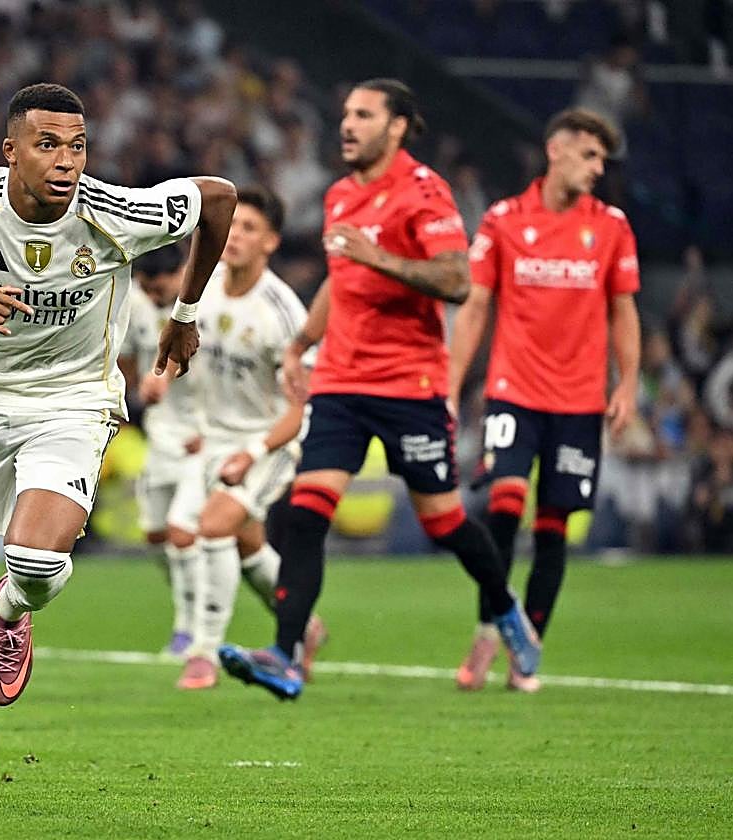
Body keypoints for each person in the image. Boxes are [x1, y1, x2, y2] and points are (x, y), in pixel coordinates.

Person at [0, 83, 236, 800]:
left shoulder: (114, 211)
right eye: (47, 144)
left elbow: (217, 198)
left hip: (70, 404)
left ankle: (12, 611)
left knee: (32, 560)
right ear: (11, 151)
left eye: (77, 145)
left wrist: (186, 312)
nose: (66, 160)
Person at [217, 78, 540, 701]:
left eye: (363, 115)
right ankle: (285, 656)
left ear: (396, 127)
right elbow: (341, 283)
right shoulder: (339, 195)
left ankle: (505, 609)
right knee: (306, 515)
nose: (347, 124)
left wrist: (380, 257)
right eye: (345, 114)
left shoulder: (424, 192)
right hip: (340, 381)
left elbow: (456, 281)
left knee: (444, 524)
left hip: (408, 386)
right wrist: (299, 343)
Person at [447, 108, 641, 693]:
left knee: (553, 528)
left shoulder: (610, 226)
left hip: (580, 402)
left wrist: (627, 382)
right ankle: (489, 631)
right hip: (514, 393)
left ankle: (525, 647)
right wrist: (452, 386)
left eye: (603, 159)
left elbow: (623, 309)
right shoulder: (505, 220)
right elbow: (476, 306)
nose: (598, 167)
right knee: (503, 509)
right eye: (590, 155)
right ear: (556, 150)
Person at [161, 186, 326, 690]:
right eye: (231, 226)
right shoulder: (201, 291)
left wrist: (251, 453)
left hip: (269, 442)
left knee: (214, 526)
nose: (234, 237)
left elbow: (299, 411)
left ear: (271, 242)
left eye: (249, 229)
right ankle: (305, 626)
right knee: (225, 540)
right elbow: (188, 358)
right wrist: (165, 385)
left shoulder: (283, 314)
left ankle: (204, 653)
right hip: (212, 438)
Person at [118, 245, 203, 659]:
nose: (153, 298)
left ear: (181, 274)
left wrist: (212, 429)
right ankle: (192, 604)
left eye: (161, 288)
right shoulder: (134, 304)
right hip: (161, 436)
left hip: (201, 438)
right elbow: (128, 361)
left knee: (180, 532)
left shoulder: (205, 303)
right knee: (155, 534)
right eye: (146, 290)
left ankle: (190, 627)